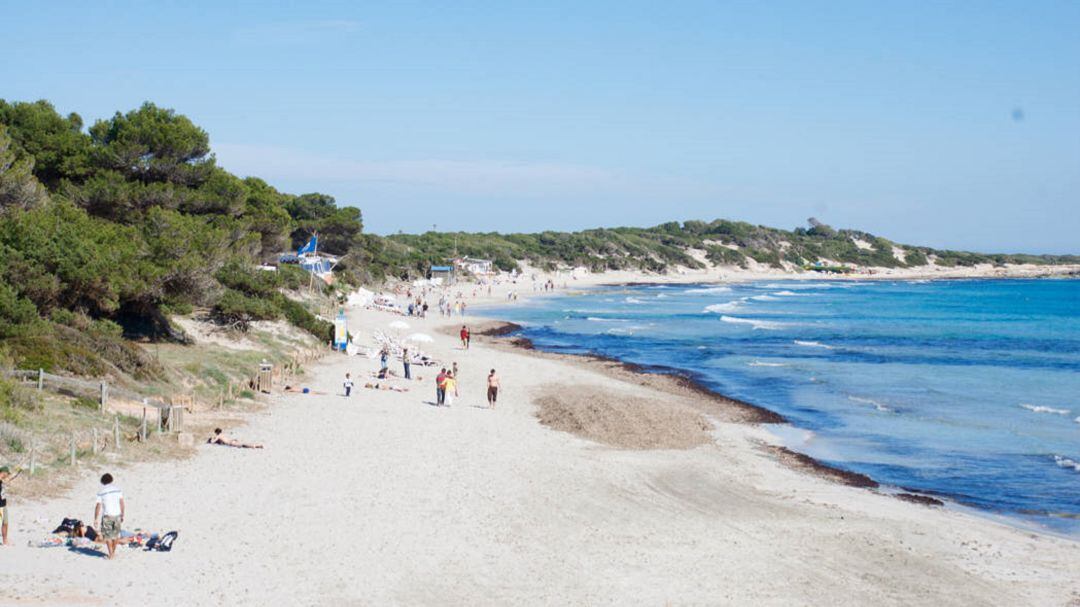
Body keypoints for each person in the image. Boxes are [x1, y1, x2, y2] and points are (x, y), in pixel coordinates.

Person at [94, 473, 124, 560]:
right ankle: (113, 552)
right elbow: (122, 503)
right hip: (117, 515)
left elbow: (98, 506)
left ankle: (111, 554)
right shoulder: (117, 490)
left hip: (107, 515)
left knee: (108, 536)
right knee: (116, 535)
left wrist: (95, 518)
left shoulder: (101, 492)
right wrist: (122, 514)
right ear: (111, 480)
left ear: (102, 481)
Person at [0, 465, 21, 545]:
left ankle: (5, 541)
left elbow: (10, 478)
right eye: (7, 473)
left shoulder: (3, 480)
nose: (7, 475)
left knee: (5, 523)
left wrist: (18, 472)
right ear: (3, 473)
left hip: (3, 504)